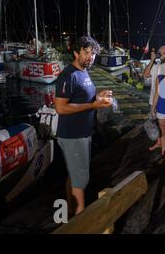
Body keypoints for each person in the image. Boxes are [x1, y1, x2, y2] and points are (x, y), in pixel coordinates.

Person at [55, 36, 113, 216]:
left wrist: (98, 97)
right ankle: (80, 221)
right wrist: (93, 105)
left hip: (83, 133)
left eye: (93, 53)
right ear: (75, 52)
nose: (90, 57)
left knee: (75, 175)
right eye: (86, 52)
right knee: (81, 180)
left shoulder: (84, 71)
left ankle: (71, 215)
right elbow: (61, 107)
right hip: (73, 136)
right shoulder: (69, 75)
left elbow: (84, 99)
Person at [143, 46, 165, 151]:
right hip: (153, 100)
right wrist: (152, 60)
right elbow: (145, 75)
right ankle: (160, 143)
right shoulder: (156, 66)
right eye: (162, 53)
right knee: (157, 124)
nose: (164, 55)